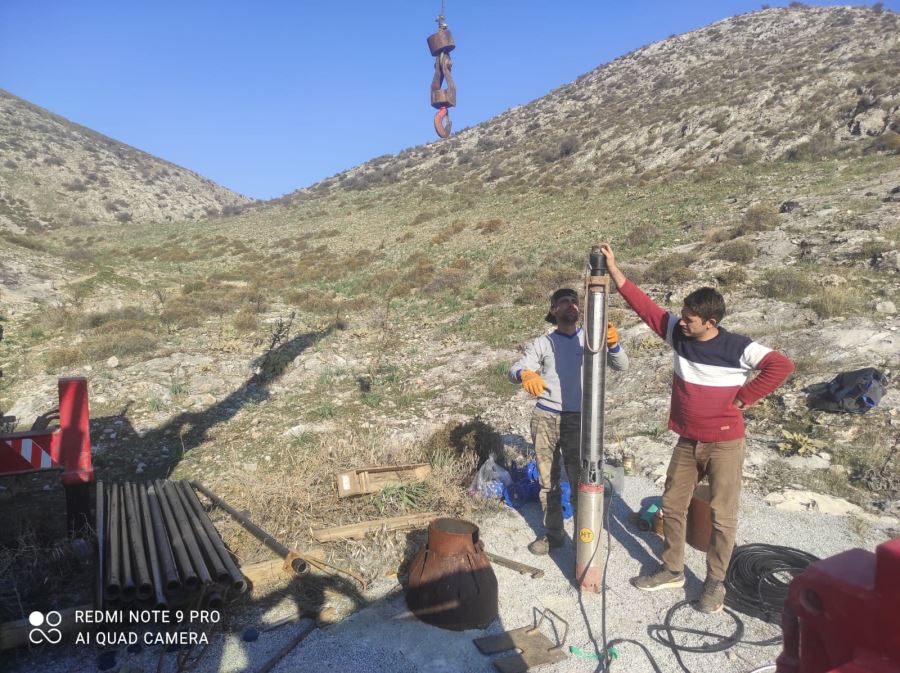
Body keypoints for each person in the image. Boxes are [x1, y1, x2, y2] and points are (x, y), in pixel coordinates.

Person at [597, 243, 794, 613]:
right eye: (682, 315)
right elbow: (645, 307)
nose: (682, 322)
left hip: (725, 443)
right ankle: (672, 569)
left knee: (722, 515)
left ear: (711, 323)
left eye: (690, 318)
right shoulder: (678, 334)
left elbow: (781, 365)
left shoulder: (737, 347)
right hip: (688, 440)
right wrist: (614, 269)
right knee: (672, 504)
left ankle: (715, 582)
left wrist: (746, 397)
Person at [509, 287, 629, 555]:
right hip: (546, 417)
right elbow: (515, 369)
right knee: (548, 481)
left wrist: (613, 344)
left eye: (574, 301)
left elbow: (622, 366)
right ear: (553, 310)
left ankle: (583, 541)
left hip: (579, 420)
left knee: (580, 480)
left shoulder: (591, 340)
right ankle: (553, 535)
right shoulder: (544, 342)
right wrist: (524, 375)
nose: (571, 305)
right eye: (564, 302)